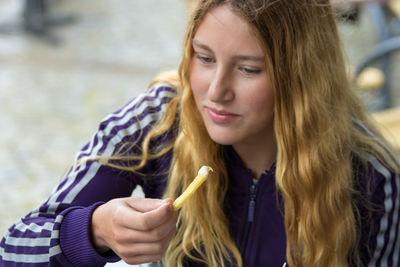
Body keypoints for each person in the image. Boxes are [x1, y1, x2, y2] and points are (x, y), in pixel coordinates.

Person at [1, 0, 399, 266]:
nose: (216, 91)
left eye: (248, 69)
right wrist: (94, 230)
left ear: (303, 78)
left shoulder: (371, 175)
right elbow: (14, 249)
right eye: (204, 58)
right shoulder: (157, 118)